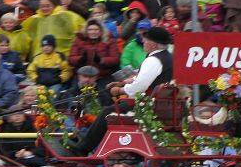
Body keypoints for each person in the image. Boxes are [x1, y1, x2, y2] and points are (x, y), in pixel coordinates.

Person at [68, 26, 173, 156]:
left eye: (145, 40)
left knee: (107, 112)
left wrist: (120, 90)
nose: (143, 42)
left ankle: (83, 148)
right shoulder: (167, 57)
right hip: (156, 104)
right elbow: (147, 78)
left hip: (145, 106)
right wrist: (124, 82)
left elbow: (139, 86)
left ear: (153, 44)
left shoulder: (153, 60)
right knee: (111, 108)